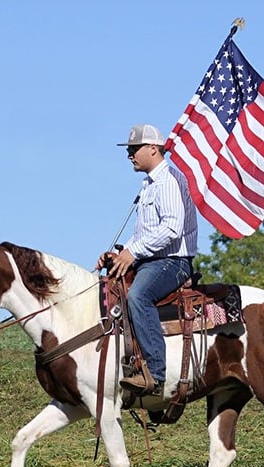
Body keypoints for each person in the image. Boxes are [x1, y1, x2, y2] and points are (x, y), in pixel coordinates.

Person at [97, 124, 198, 395]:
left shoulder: (167, 182)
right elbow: (144, 233)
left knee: (138, 296)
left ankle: (155, 373)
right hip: (152, 259)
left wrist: (133, 253)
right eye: (129, 150)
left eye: (134, 149)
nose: (129, 155)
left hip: (173, 261)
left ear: (153, 149)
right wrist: (121, 254)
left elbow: (171, 228)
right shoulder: (150, 185)